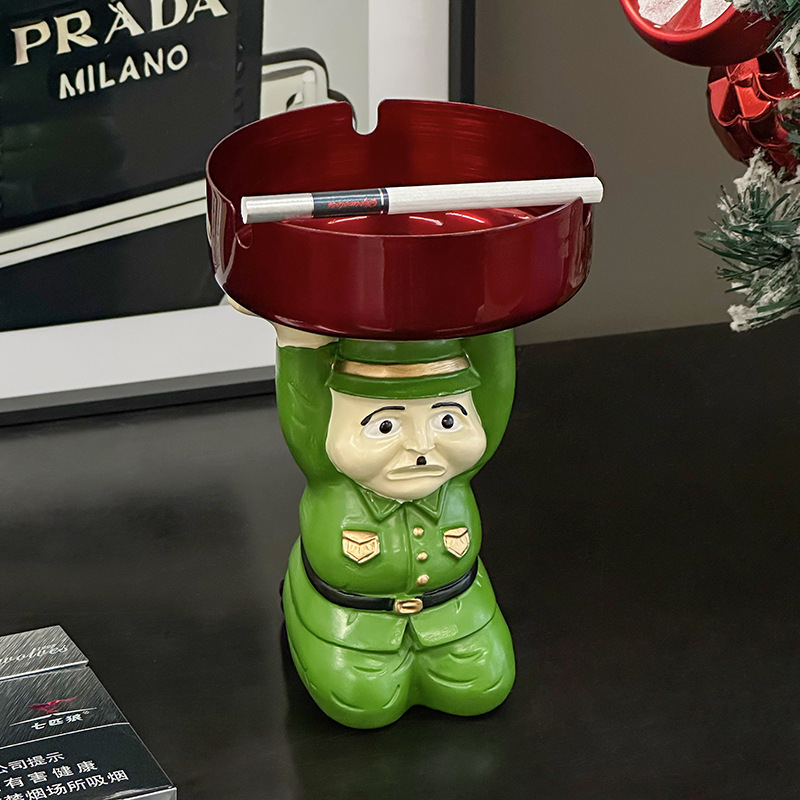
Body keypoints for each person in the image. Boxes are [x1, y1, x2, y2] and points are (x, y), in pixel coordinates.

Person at [274, 322, 517, 728]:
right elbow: (304, 404)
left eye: (446, 422)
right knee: (363, 703)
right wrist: (300, 340)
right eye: (385, 427)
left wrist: (495, 324)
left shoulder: (456, 476)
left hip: (456, 614)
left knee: (485, 685)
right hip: (353, 624)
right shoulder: (329, 471)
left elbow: (494, 388)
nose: (421, 447)